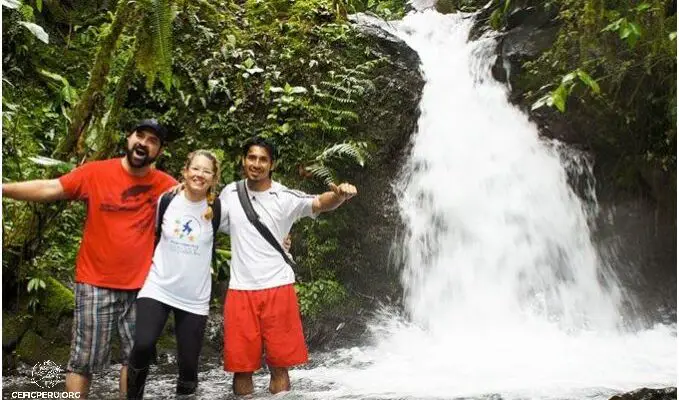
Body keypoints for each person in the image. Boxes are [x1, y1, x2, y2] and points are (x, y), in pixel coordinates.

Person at [2, 119, 177, 398]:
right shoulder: (96, 173)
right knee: (82, 362)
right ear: (128, 138)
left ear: (160, 151)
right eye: (139, 136)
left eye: (152, 141)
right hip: (96, 283)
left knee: (135, 359)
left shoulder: (167, 187)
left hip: (143, 287)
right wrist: (3, 189)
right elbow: (51, 188)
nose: (143, 143)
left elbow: (197, 202)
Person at [219, 136, 358, 395]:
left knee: (279, 367)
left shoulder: (283, 196)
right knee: (241, 368)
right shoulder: (230, 194)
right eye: (252, 157)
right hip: (241, 291)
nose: (256, 164)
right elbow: (207, 219)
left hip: (278, 288)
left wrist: (339, 196)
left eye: (263, 159)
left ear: (272, 164)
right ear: (243, 160)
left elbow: (317, 202)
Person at [126, 150, 228, 399]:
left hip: (194, 298)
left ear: (214, 178)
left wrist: (283, 240)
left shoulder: (219, 209)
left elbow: (247, 230)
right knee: (142, 345)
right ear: (185, 171)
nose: (199, 175)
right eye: (195, 169)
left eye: (206, 171)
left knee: (189, 367)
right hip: (158, 287)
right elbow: (144, 233)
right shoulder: (167, 200)